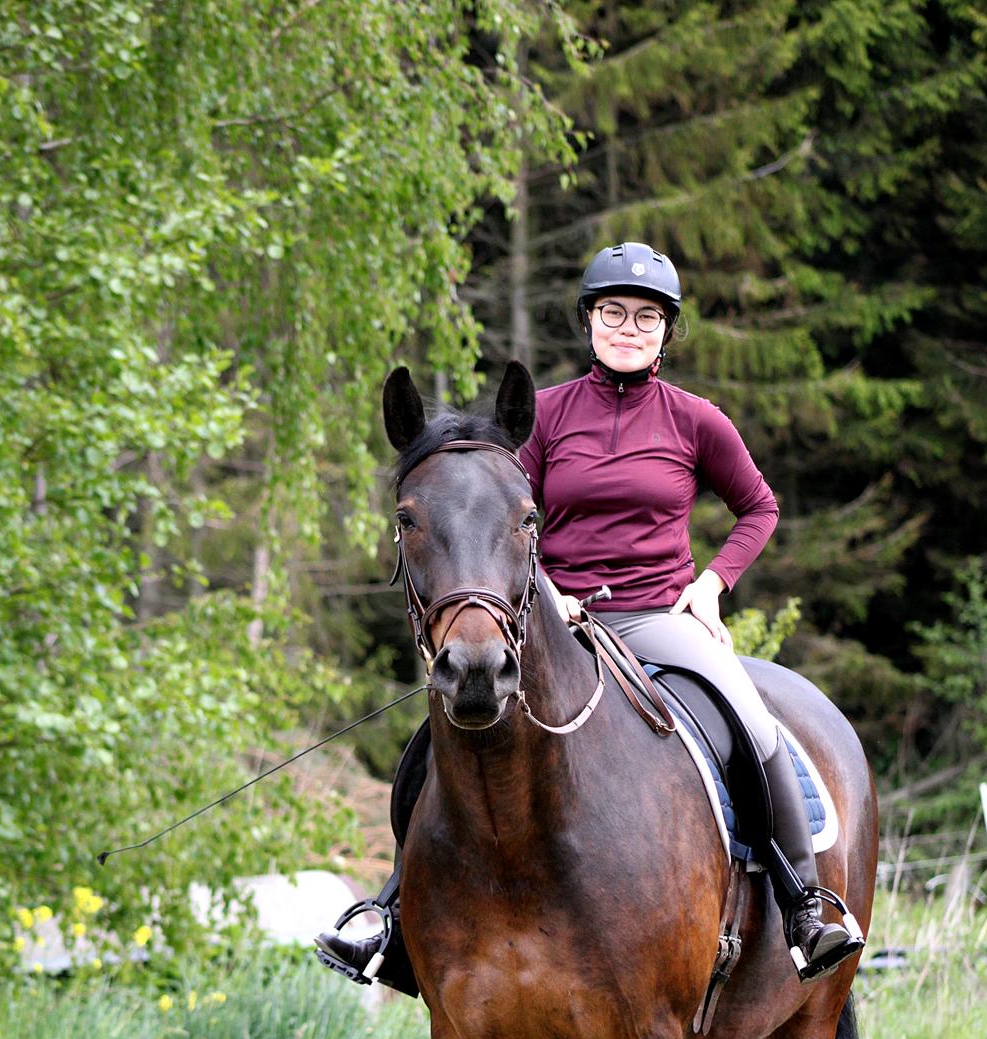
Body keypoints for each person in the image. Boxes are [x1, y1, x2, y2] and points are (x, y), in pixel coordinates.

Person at [316, 241, 864, 990]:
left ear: (666, 332)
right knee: (439, 731)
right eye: (613, 312)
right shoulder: (542, 416)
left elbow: (757, 507)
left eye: (645, 317)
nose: (628, 327)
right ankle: (397, 913)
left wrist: (710, 585)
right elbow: (507, 520)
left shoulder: (696, 421)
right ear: (589, 322)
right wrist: (543, 588)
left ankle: (805, 903)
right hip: (553, 617)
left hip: (653, 616)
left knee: (751, 719)